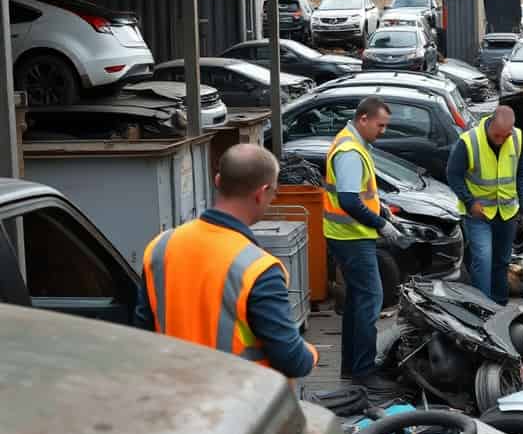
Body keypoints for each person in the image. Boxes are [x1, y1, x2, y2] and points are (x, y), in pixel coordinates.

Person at [137, 144, 319, 378]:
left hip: (174, 398)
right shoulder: (259, 269)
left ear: (217, 180)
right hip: (237, 404)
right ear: (262, 192)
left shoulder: (159, 248)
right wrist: (311, 354)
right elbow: (292, 361)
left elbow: (141, 336)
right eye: (274, 193)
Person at [323, 96, 404, 400]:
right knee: (371, 298)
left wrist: (380, 207)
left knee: (358, 301)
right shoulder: (349, 151)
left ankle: (352, 367)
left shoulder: (353, 143)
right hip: (351, 237)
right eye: (380, 125)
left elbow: (357, 192)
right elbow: (347, 200)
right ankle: (365, 372)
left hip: (349, 235)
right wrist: (381, 224)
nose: (383, 131)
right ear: (363, 120)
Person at [446, 105, 523, 304]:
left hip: (507, 212)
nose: (501, 140)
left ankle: (499, 304)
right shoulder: (469, 141)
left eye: (505, 136)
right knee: (483, 260)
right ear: (490, 124)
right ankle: (482, 307)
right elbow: (453, 174)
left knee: (501, 262)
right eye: (497, 135)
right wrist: (469, 201)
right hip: (478, 214)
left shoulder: (517, 138)